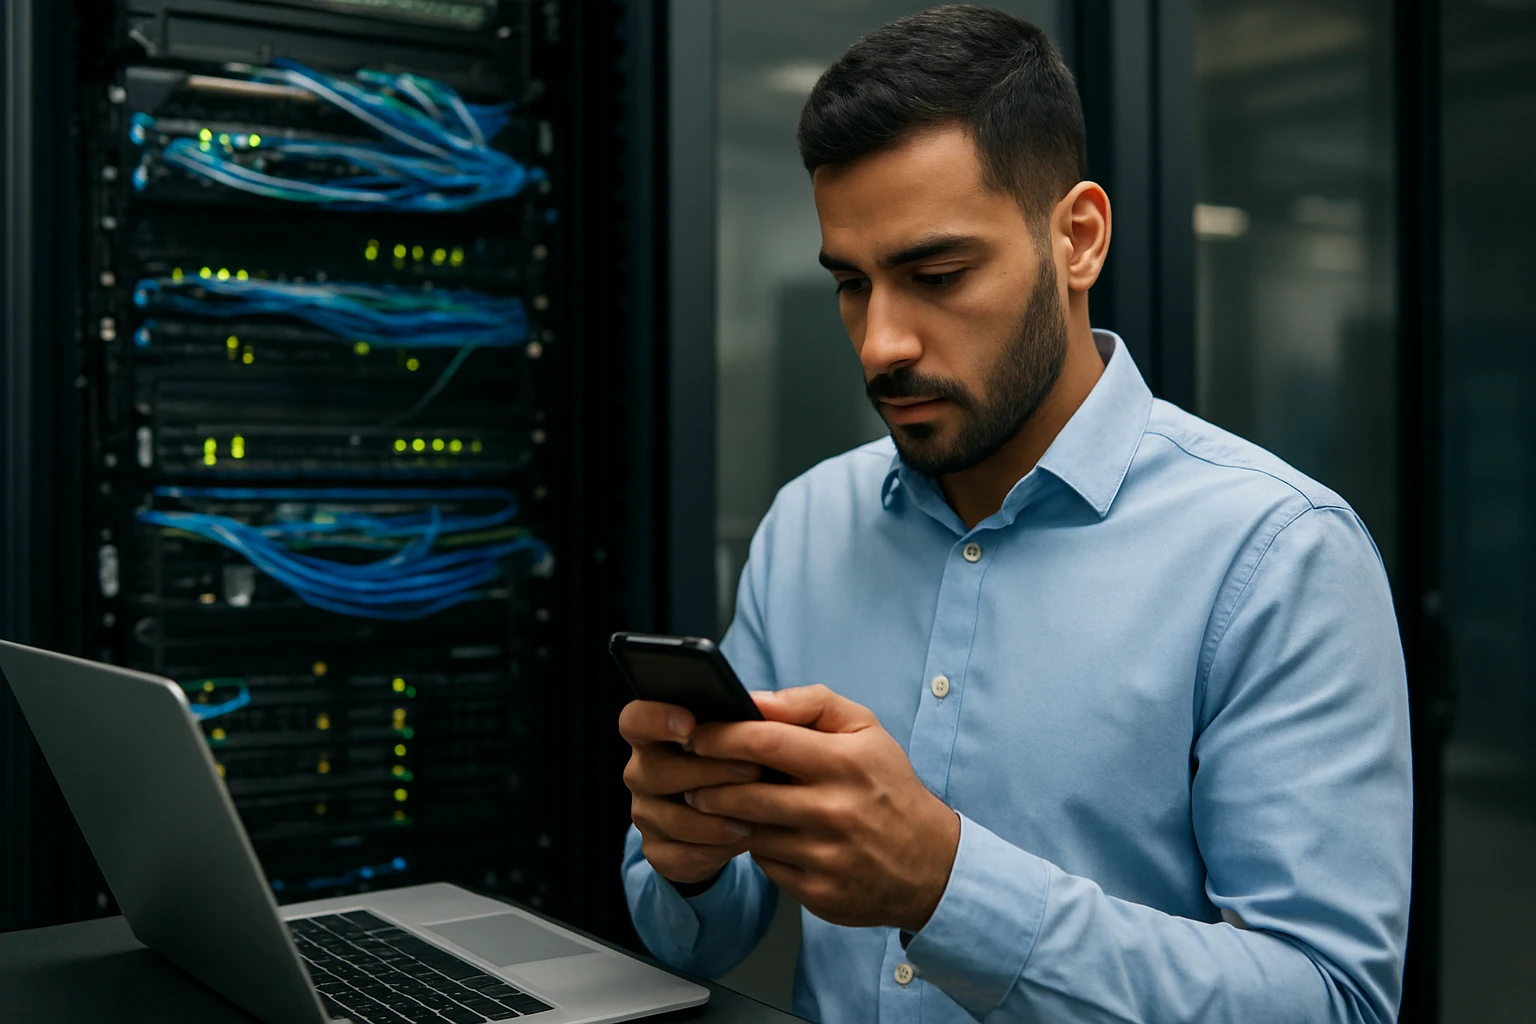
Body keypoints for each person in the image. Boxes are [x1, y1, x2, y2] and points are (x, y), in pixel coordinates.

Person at [618, 6, 1411, 1022]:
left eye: (936, 275)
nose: (880, 344)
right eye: (851, 286)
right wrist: (688, 861)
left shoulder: (1277, 556)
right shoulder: (806, 526)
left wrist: (947, 889)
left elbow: (1333, 1000)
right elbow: (707, 928)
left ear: (1077, 239)